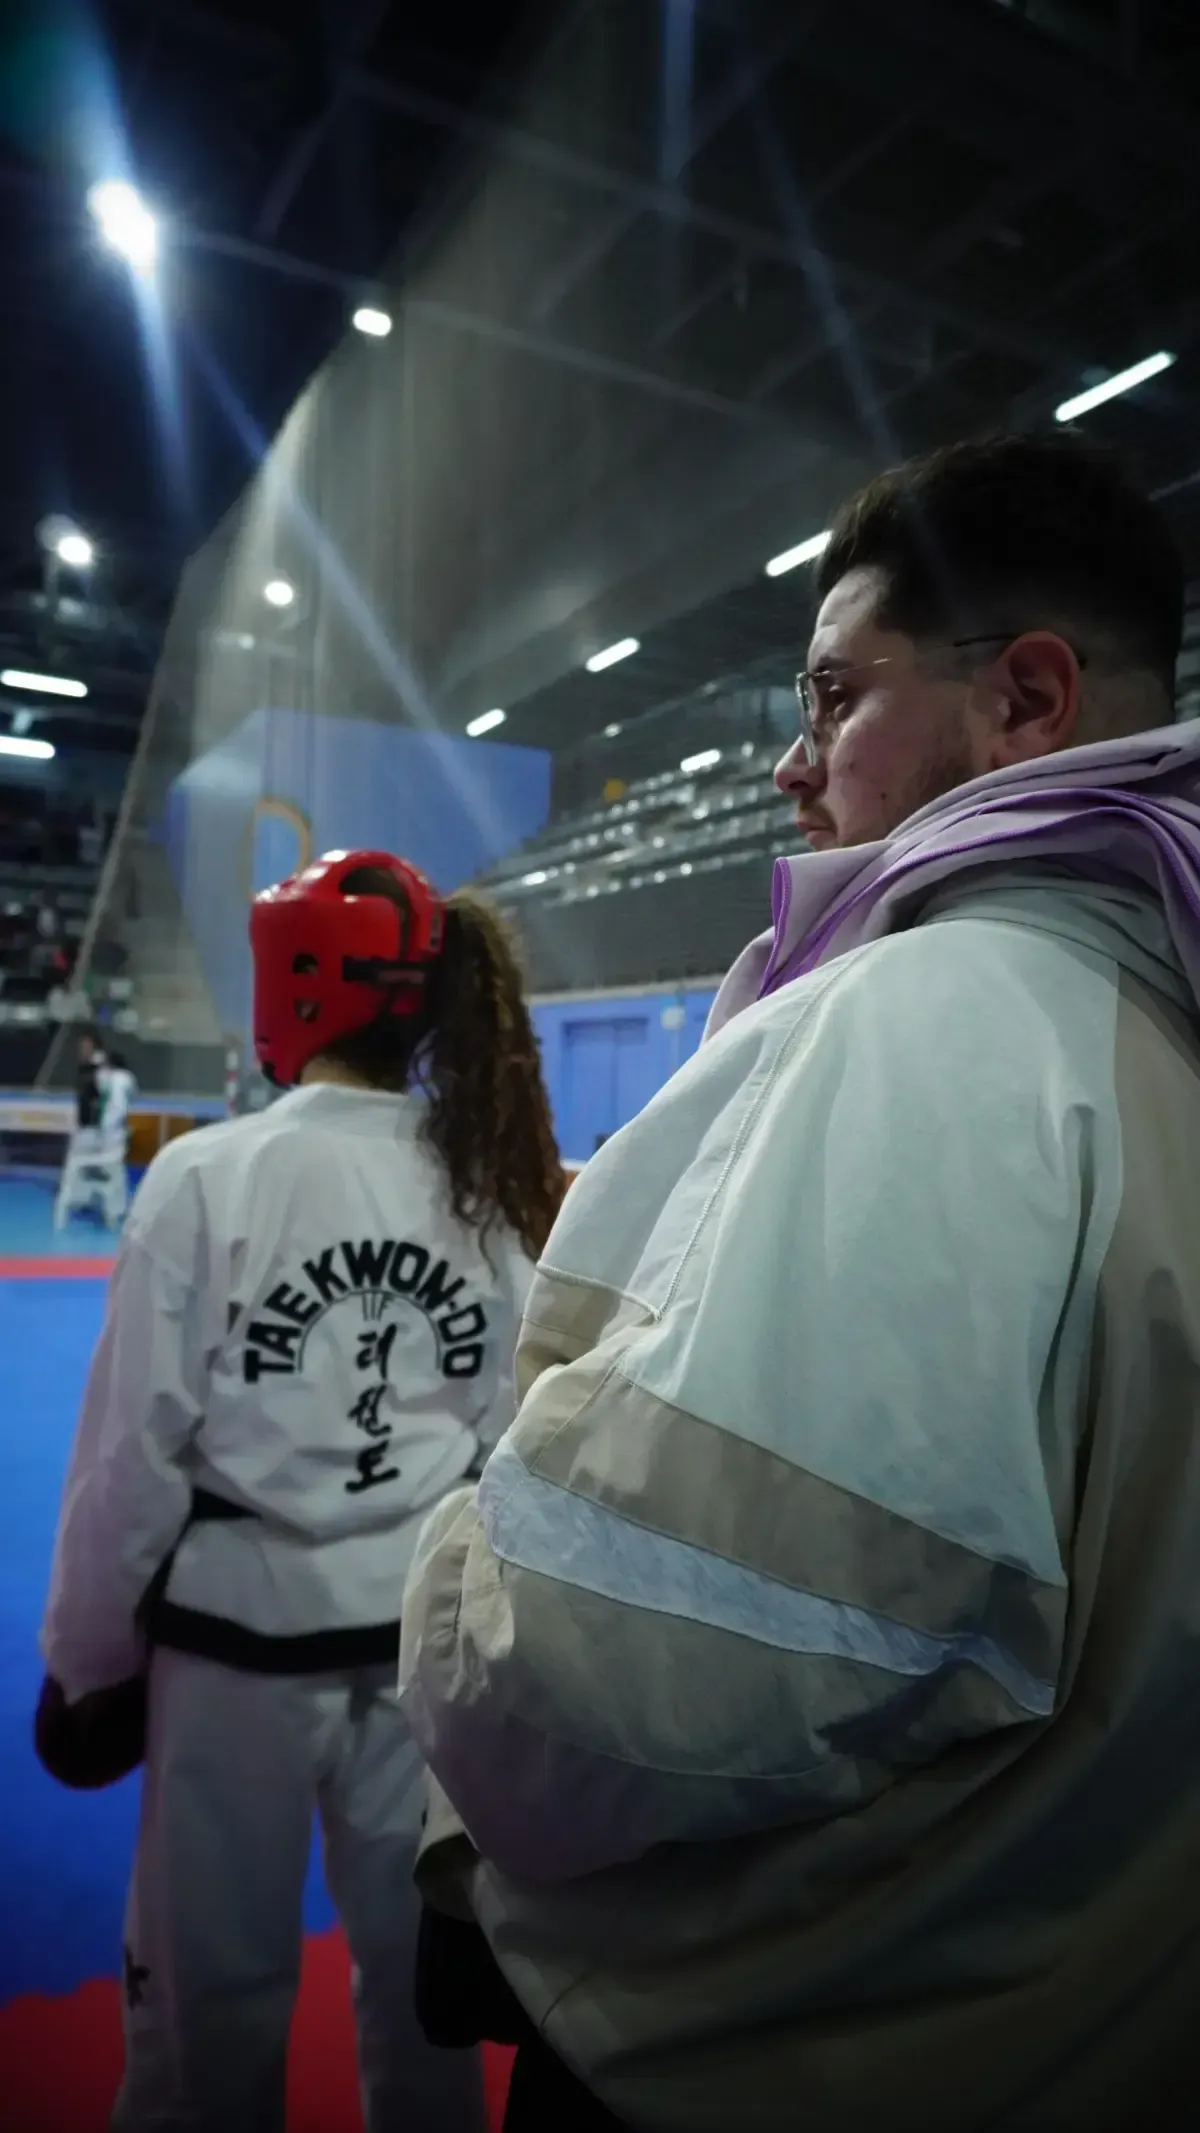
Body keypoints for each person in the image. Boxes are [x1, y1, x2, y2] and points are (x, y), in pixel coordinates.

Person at [398, 432, 1200, 2133]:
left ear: (1029, 702)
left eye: (833, 693)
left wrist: (455, 1575)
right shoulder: (1154, 1051)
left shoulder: (937, 1023)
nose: (789, 761)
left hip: (767, 2045)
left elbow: (623, 1667)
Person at [40, 850, 562, 2133]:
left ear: (295, 989)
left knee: (203, 2018)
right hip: (417, 1662)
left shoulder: (215, 1178)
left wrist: (87, 1659)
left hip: (234, 1662)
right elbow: (509, 1440)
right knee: (421, 2013)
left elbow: (132, 1459)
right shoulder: (489, 1189)